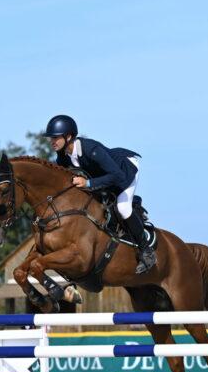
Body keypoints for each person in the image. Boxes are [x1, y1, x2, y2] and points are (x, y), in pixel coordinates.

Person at [43, 114, 157, 274]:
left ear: (68, 136)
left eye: (55, 137)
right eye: (50, 138)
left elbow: (117, 176)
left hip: (125, 169)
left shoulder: (91, 149)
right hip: (106, 176)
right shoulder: (63, 157)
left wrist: (88, 183)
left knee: (123, 207)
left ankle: (147, 251)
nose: (52, 142)